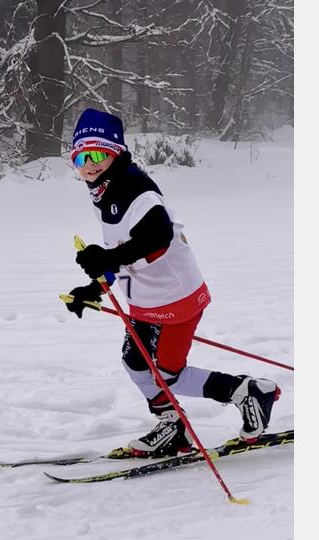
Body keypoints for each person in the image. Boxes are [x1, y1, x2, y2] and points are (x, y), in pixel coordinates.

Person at [64, 108, 282, 458]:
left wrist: (109, 260)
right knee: (136, 363)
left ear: (115, 152)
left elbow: (158, 236)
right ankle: (171, 425)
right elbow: (118, 248)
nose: (89, 164)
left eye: (97, 154)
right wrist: (97, 287)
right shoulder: (104, 193)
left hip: (174, 299)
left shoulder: (135, 189)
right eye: (80, 157)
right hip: (145, 299)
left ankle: (249, 391)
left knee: (168, 373)